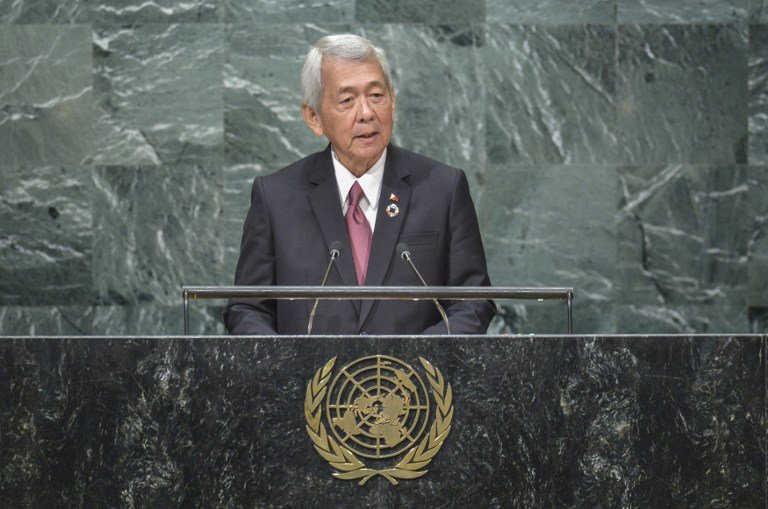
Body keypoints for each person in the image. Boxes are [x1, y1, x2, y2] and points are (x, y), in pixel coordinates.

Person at [224, 34, 495, 335]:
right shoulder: (276, 198)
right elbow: (248, 309)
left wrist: (416, 360)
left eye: (376, 96)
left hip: (412, 379)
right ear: (314, 117)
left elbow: (473, 301)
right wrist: (289, 368)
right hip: (308, 381)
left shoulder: (443, 189)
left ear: (393, 102)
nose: (366, 113)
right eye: (347, 100)